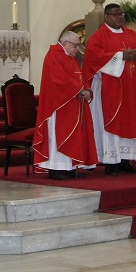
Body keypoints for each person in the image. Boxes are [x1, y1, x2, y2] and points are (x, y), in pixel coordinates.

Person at [82, 3, 136, 175]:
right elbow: (94, 58)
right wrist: (121, 55)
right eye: (115, 15)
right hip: (110, 89)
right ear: (106, 16)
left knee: (130, 122)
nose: (120, 17)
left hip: (131, 90)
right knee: (112, 122)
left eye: (121, 14)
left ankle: (125, 161)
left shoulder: (131, 34)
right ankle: (111, 162)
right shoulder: (98, 37)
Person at [34, 31, 98, 180]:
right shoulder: (53, 56)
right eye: (75, 46)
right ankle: (57, 169)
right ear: (65, 43)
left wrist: (87, 90)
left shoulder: (71, 58)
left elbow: (79, 77)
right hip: (58, 105)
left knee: (74, 136)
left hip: (73, 103)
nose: (77, 49)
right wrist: (80, 90)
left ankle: (69, 168)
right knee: (60, 136)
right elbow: (59, 80)